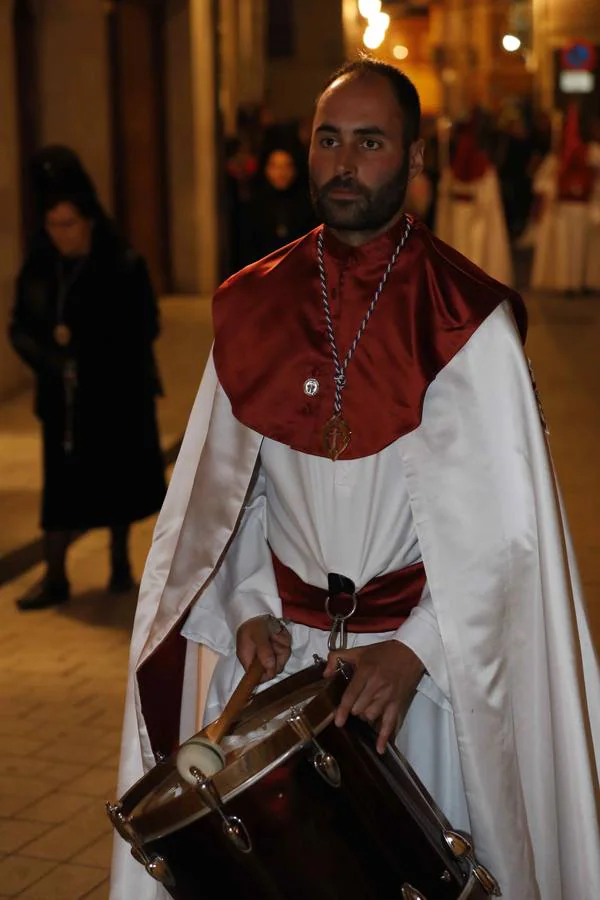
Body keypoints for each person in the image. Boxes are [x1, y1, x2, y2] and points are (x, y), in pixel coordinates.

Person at [111, 60, 600, 899]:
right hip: (283, 675)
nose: (344, 161)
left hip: (417, 683)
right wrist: (250, 605)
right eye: (328, 140)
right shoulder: (253, 307)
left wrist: (414, 651)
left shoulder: (465, 321)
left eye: (369, 142)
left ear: (414, 162)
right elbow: (223, 506)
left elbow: (508, 542)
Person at [9, 146, 166, 611]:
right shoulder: (41, 265)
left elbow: (145, 324)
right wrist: (49, 360)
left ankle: (119, 562)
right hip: (64, 395)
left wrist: (94, 351)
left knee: (116, 481)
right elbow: (20, 324)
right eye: (52, 225)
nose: (60, 235)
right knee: (60, 490)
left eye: (68, 225)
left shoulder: (121, 264)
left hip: (114, 391)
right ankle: (55, 574)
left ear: (89, 221)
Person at [435, 122, 513, 284]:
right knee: (460, 248)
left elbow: (486, 197)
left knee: (473, 249)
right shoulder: (454, 170)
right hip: (461, 214)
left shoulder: (482, 169)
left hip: (473, 215)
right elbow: (446, 193)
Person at [531, 103, 594, 293]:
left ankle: (583, 282)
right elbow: (541, 184)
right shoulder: (555, 160)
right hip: (563, 210)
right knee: (566, 249)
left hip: (584, 208)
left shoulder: (591, 155)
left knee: (583, 249)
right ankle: (568, 283)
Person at [240, 146, 317, 265]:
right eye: (275, 166)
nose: (281, 172)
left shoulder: (308, 206)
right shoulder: (253, 208)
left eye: (287, 166)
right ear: (266, 169)